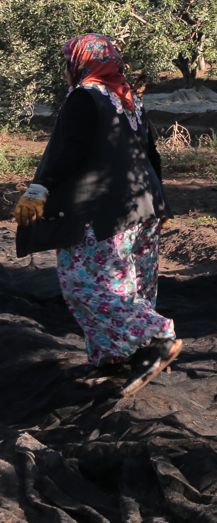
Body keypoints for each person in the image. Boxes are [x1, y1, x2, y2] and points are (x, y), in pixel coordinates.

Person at [11, 34, 182, 396]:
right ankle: (116, 357)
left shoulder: (84, 97)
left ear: (80, 60)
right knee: (130, 284)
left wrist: (39, 189)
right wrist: (160, 201)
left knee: (85, 285)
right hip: (143, 205)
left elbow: (67, 151)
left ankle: (157, 336)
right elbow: (150, 153)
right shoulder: (128, 97)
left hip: (105, 210)